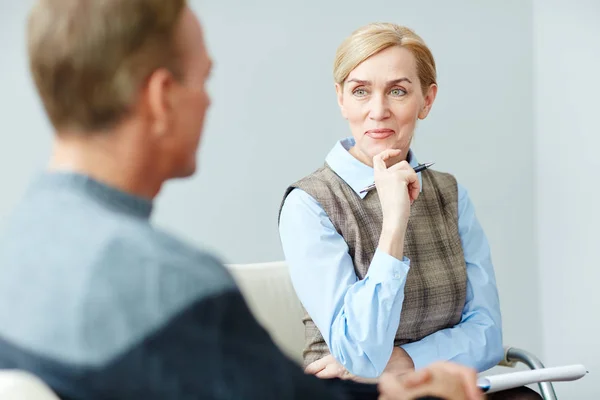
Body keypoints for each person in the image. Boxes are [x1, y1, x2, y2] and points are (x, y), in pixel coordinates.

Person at [0, 1, 484, 399]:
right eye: (203, 80)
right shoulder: (166, 284)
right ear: (161, 98)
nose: (209, 102)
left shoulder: (22, 244)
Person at [278, 23, 541, 399]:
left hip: (444, 388)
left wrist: (403, 361)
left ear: (427, 101)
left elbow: (486, 335)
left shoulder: (451, 194)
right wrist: (394, 221)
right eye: (360, 91)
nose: (378, 111)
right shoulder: (309, 204)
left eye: (398, 91)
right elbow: (359, 355)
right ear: (341, 99)